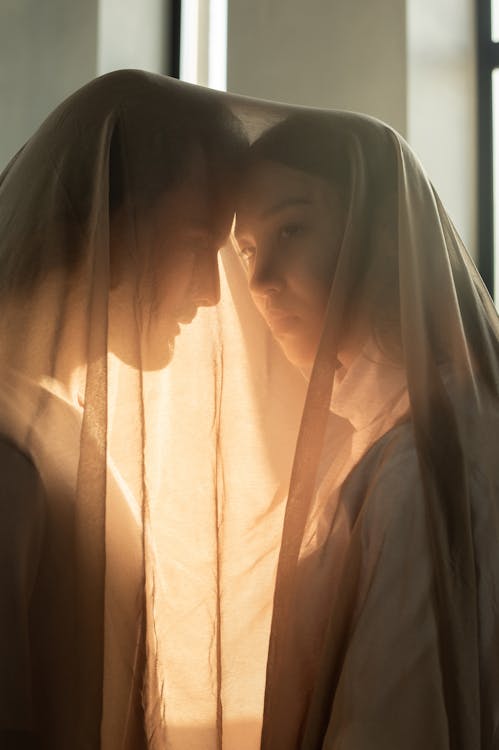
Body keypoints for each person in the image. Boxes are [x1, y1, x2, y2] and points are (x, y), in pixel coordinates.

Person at [234, 112, 499, 748]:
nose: (261, 281)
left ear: (385, 237)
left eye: (291, 229)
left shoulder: (419, 469)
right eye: (247, 250)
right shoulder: (392, 438)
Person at [0, 69, 247, 749]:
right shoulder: (8, 448)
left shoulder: (54, 422)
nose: (208, 293)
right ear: (108, 218)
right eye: (197, 243)